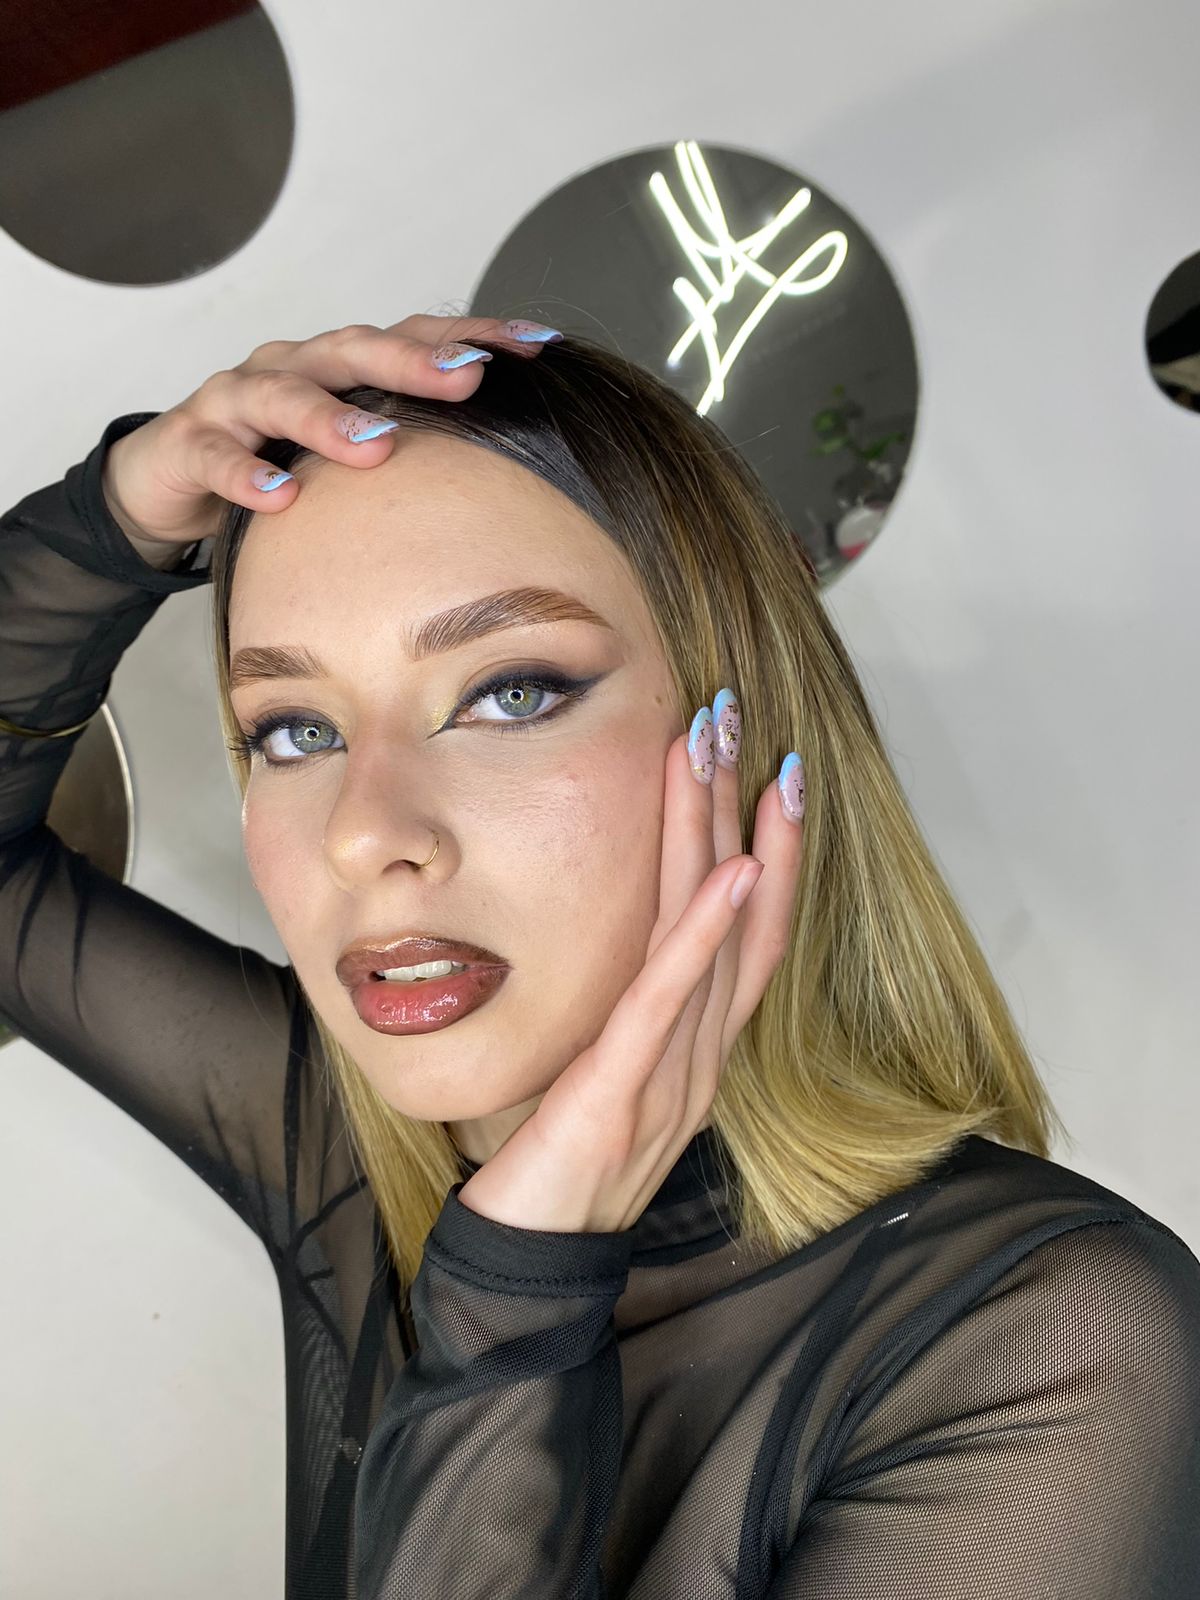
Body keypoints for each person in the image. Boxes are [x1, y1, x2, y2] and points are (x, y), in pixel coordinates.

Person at [1, 314, 1196, 1600]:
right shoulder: (346, 1148)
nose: (364, 834)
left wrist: (514, 1296)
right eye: (294, 728)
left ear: (740, 725)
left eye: (510, 691)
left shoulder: (1056, 1343)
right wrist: (115, 513)